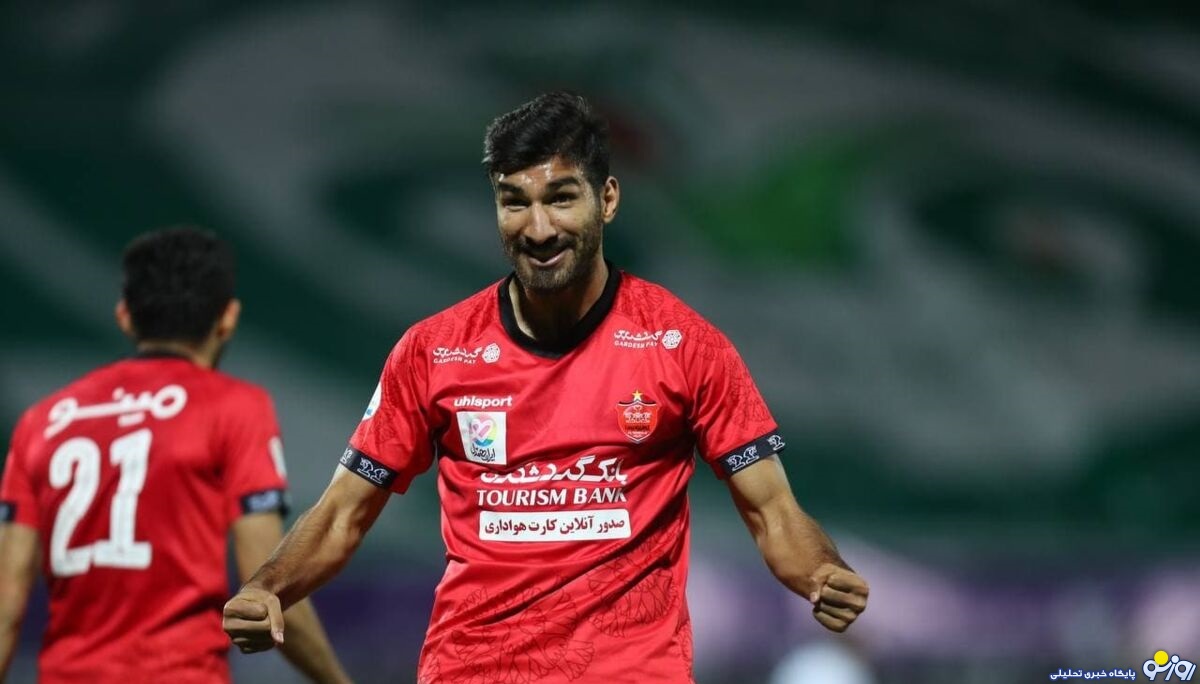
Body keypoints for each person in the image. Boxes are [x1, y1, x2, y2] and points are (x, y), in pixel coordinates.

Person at [223, 92, 869, 683]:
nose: (538, 229)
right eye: (515, 202)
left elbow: (772, 512)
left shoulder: (684, 345)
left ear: (607, 199)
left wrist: (822, 572)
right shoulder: (433, 351)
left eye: (561, 198)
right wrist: (267, 588)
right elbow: (342, 514)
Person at [0, 227, 351, 683]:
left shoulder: (42, 421)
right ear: (228, 318)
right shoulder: (234, 407)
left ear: (125, 317)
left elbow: (7, 605)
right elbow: (265, 583)